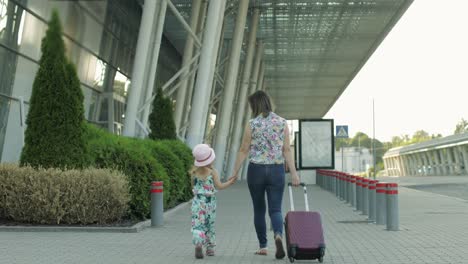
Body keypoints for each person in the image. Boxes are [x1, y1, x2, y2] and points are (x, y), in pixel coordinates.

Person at [230, 91, 300, 259]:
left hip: (256, 170)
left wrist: (235, 172)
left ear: (255, 105)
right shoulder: (282, 123)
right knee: (275, 209)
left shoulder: (252, 124)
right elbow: (287, 150)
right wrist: (295, 174)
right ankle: (278, 235)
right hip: (276, 170)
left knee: (259, 209)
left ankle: (263, 246)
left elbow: (244, 149)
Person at [190, 144, 236, 259]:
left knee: (198, 224)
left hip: (197, 202)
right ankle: (210, 248)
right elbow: (219, 186)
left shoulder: (193, 173)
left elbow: (193, 188)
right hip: (210, 203)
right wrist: (230, 182)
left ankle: (198, 244)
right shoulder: (212, 172)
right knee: (209, 224)